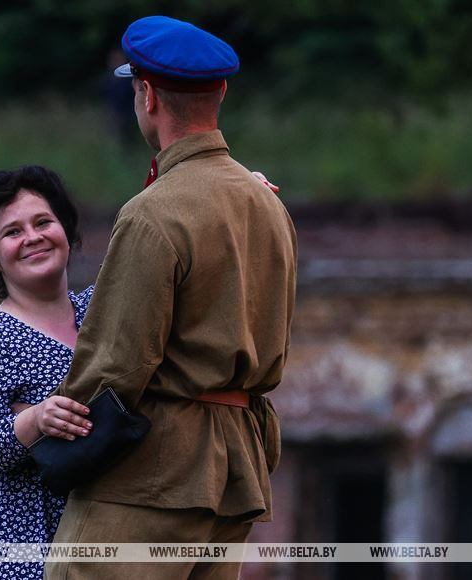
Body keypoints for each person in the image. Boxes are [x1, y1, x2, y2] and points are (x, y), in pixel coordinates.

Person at [46, 16, 297, 580]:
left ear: (147, 96)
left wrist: (58, 444)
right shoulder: (269, 204)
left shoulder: (154, 212)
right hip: (234, 472)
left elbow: (116, 365)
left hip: (151, 478)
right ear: (222, 93)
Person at [0, 165, 94, 580]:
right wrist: (35, 420)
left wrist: (229, 195)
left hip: (98, 534)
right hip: (23, 549)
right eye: (12, 232)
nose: (33, 237)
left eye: (43, 222)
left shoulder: (99, 312)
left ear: (66, 231)